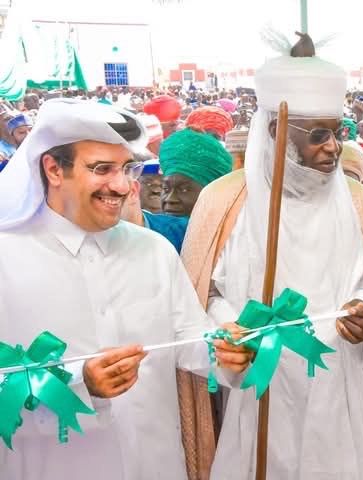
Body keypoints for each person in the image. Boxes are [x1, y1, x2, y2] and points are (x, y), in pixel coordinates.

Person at [179, 32, 363, 480]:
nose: (333, 148)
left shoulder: (355, 199)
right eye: (318, 135)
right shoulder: (226, 200)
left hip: (340, 391)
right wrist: (232, 330)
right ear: (278, 130)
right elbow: (202, 298)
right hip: (261, 387)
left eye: (337, 133)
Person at [0, 99, 249, 480]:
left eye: (127, 168)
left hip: (155, 462)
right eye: (102, 169)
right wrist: (80, 383)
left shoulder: (152, 250)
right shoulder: (7, 257)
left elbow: (187, 339)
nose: (122, 186)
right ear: (53, 169)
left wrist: (224, 349)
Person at [158, 128, 232, 217]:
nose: (170, 199)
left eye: (184, 190)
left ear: (212, 192)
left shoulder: (235, 229)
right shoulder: (149, 228)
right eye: (166, 189)